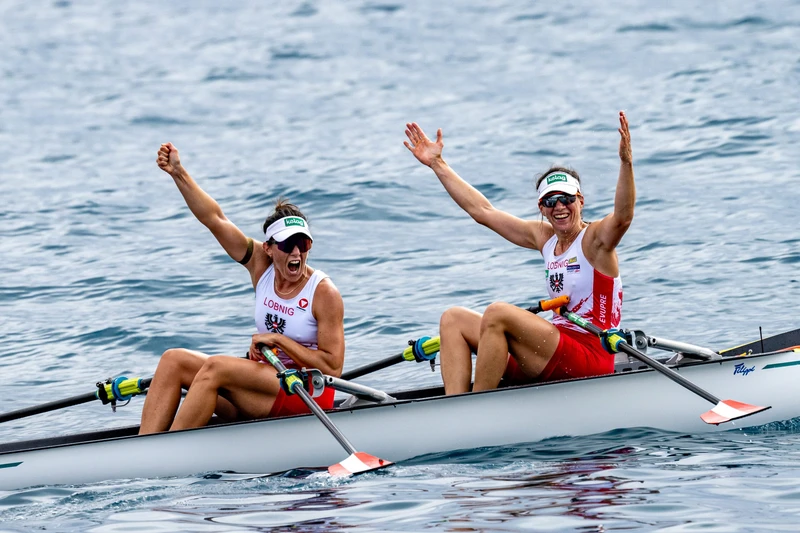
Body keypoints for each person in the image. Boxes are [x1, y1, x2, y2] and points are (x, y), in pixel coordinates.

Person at [403, 112, 634, 394]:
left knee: (498, 313)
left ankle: (478, 408)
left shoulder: (595, 240)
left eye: (566, 198)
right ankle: (456, 406)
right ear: (541, 207)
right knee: (452, 319)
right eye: (550, 201)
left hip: (592, 355)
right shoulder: (544, 238)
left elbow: (622, 217)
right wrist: (438, 164)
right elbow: (483, 212)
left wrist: (625, 163)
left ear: (580, 201)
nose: (559, 206)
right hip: (556, 348)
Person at [138, 143, 345, 434]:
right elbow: (215, 219)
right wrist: (178, 173)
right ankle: (144, 447)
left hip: (306, 393)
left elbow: (333, 368)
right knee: (174, 360)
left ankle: (166, 453)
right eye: (288, 245)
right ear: (270, 249)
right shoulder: (260, 264)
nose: (297, 252)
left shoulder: (323, 292)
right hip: (263, 385)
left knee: (217, 368)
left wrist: (278, 340)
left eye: (304, 243)